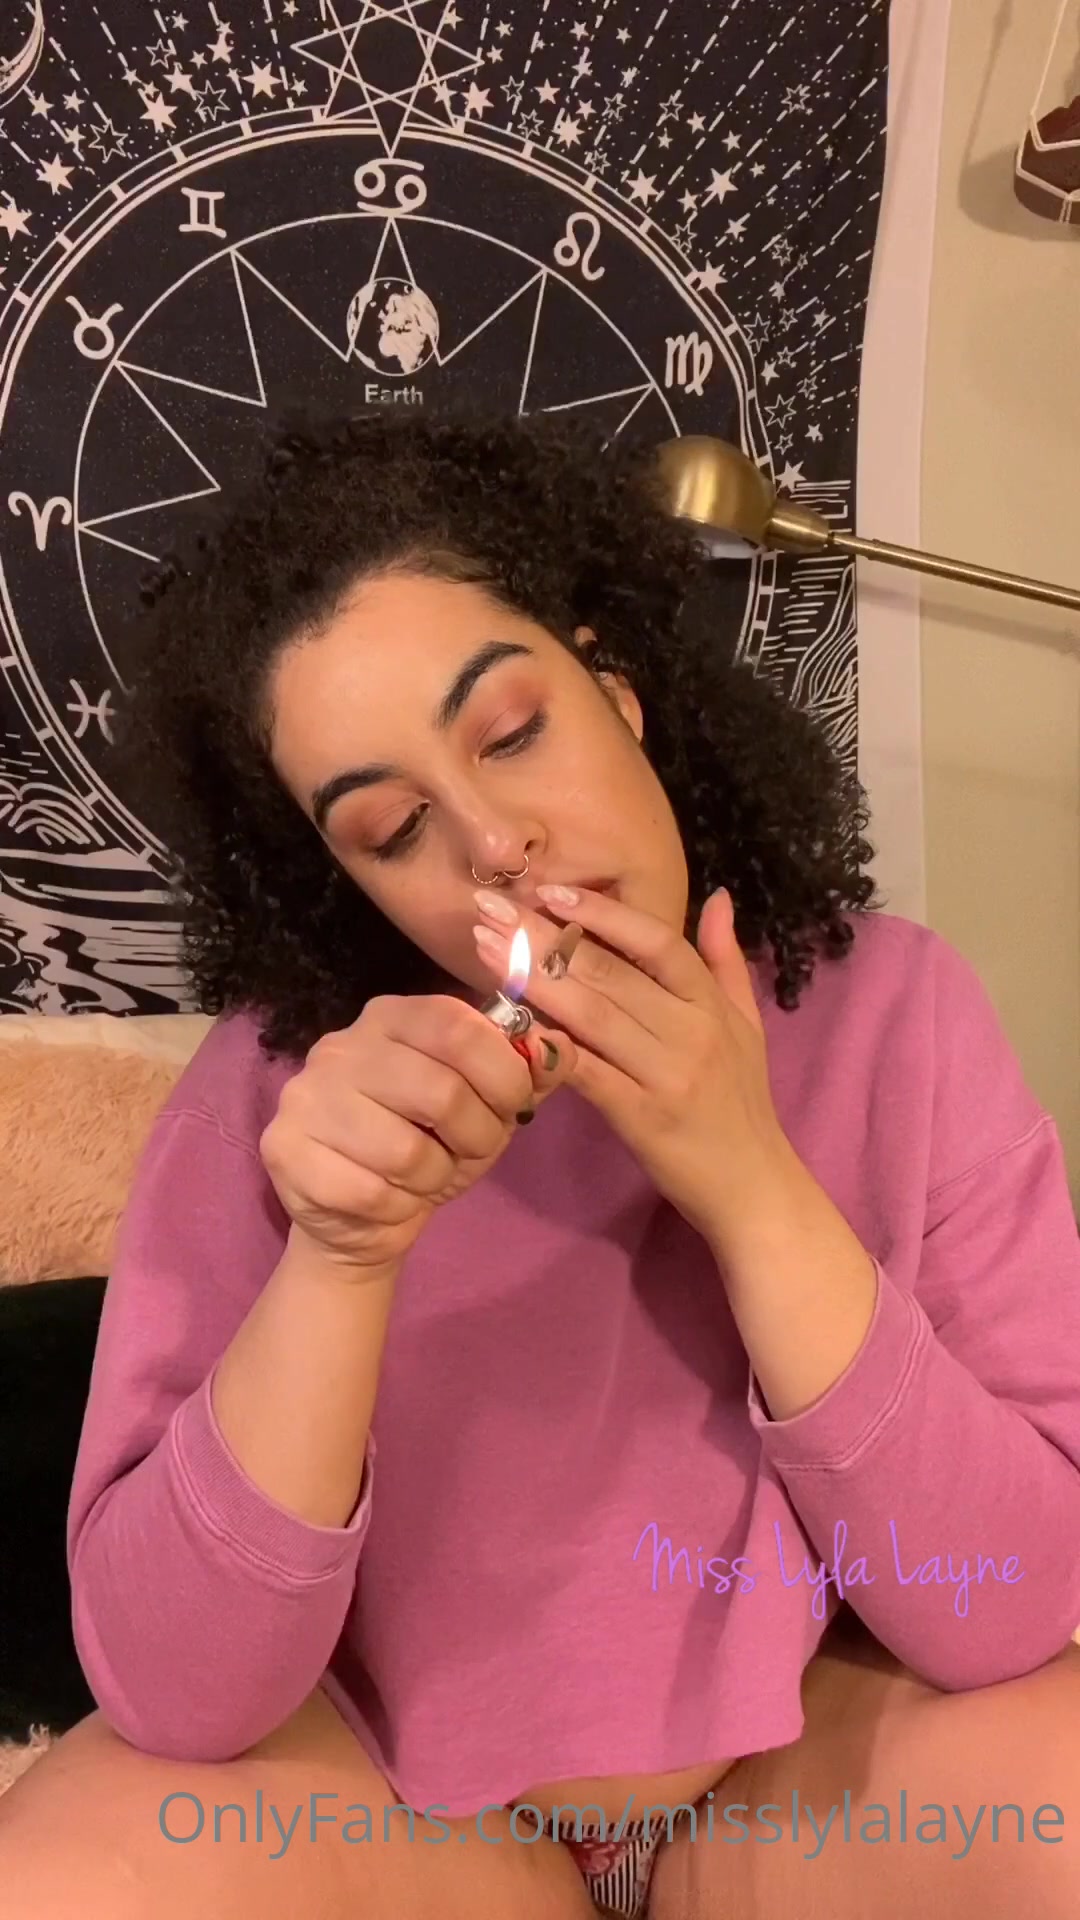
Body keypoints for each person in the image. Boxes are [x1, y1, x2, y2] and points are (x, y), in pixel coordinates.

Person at [1, 409, 1078, 1920]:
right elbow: (178, 1695)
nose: (496, 843)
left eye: (512, 733)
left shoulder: (895, 1012)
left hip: (786, 1798)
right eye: (393, 827)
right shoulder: (282, 1104)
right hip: (412, 1827)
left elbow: (1011, 1606)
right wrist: (340, 1257)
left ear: (615, 688)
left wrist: (748, 1181)